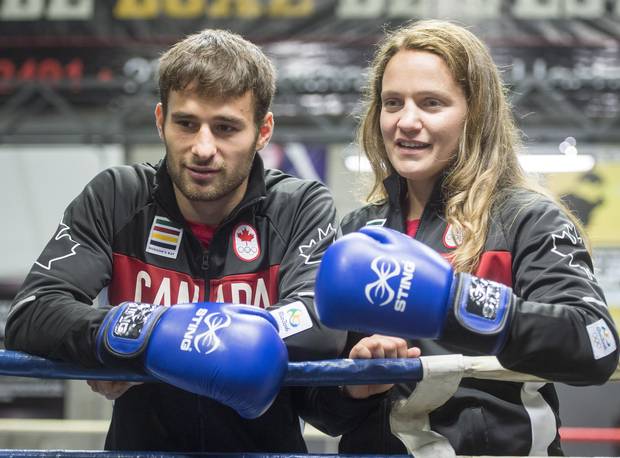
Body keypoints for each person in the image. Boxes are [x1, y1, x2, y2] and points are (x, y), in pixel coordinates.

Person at [4, 29, 346, 453]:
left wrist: (191, 336)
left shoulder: (298, 207)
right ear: (160, 120)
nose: (203, 148)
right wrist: (133, 333)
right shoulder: (117, 196)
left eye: (225, 128)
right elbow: (32, 313)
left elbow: (322, 323)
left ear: (263, 131)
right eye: (187, 124)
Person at [310, 20, 619, 456]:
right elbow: (323, 412)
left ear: (475, 114)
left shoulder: (526, 219)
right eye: (393, 103)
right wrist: (357, 385)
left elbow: (597, 343)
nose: (407, 122)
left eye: (431, 103)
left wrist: (457, 305)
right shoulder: (358, 233)